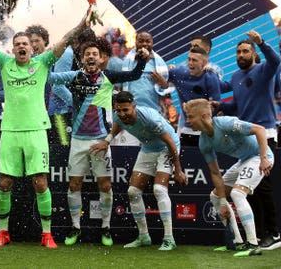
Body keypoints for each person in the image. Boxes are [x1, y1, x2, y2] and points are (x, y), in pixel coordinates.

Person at [0, 0, 91, 249]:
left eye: (26, 44)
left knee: (40, 183)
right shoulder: (4, 63)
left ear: (31, 47)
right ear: (13, 49)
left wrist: (84, 19)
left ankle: (47, 234)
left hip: (37, 130)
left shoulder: (43, 62)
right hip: (11, 131)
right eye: (18, 45)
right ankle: (3, 232)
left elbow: (67, 38)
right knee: (5, 183)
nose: (23, 47)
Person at [48, 41, 149, 247]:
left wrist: (142, 60)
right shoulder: (75, 76)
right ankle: (75, 227)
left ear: (101, 58)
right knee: (74, 184)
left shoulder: (108, 76)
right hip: (78, 140)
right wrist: (45, 62)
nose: (91, 57)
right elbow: (51, 80)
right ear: (83, 59)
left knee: (105, 185)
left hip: (100, 140)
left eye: (95, 54)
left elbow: (134, 75)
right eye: (87, 54)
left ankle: (106, 227)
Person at [91, 91, 187, 251]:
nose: (122, 114)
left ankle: (169, 239)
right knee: (133, 191)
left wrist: (178, 169)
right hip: (148, 148)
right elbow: (117, 126)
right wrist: (107, 141)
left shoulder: (149, 117)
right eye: (118, 110)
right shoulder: (118, 116)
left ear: (134, 107)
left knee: (159, 189)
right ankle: (144, 236)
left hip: (167, 148)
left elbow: (170, 141)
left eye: (126, 110)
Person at [215, 30, 281, 250]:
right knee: (248, 190)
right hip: (245, 139)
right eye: (238, 52)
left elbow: (276, 59)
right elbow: (237, 106)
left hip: (266, 136)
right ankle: (260, 234)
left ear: (253, 54)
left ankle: (274, 233)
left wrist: (261, 42)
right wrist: (220, 106)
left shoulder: (264, 70)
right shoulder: (235, 77)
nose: (241, 55)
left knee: (263, 188)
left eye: (245, 51)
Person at [184, 98, 273, 257]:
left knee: (237, 193)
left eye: (191, 116)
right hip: (244, 160)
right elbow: (215, 173)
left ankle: (253, 245)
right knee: (216, 196)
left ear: (204, 116)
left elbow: (260, 130)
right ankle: (237, 242)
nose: (187, 121)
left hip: (259, 156)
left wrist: (264, 158)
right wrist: (223, 203)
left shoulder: (226, 123)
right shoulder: (203, 142)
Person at [152, 46, 221, 146]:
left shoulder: (210, 77)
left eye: (194, 60)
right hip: (187, 131)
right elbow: (158, 76)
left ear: (204, 63)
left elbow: (216, 105)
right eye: (189, 59)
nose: (190, 63)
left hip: (206, 130)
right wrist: (163, 82)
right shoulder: (178, 73)